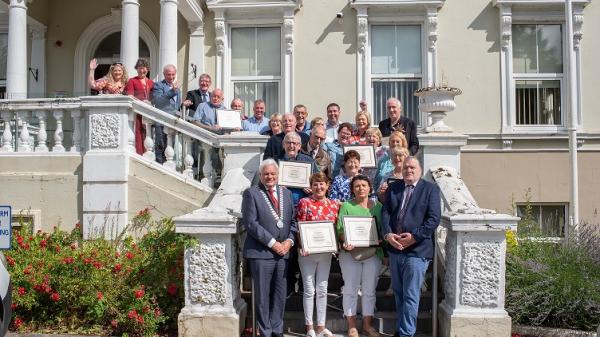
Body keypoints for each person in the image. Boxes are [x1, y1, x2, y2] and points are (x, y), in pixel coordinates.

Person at [381, 157, 441, 337]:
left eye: (413, 167)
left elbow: (433, 219)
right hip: (395, 249)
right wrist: (388, 234)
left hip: (417, 251)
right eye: (406, 167)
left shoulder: (430, 189)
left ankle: (407, 333)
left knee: (411, 294)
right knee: (399, 293)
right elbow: (385, 212)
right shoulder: (395, 187)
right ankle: (401, 330)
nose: (409, 170)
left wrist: (414, 237)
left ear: (420, 170)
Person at [242, 159, 297, 337]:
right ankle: (265, 332)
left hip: (283, 254)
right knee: (263, 297)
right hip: (261, 253)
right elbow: (251, 224)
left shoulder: (286, 194)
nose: (270, 177)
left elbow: (293, 223)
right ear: (260, 175)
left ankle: (277, 330)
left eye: (273, 173)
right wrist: (274, 244)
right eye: (266, 174)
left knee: (280, 295)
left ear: (278, 175)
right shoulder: (251, 193)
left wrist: (289, 242)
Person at [336, 175, 383, 337]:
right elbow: (340, 229)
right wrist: (345, 241)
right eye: (357, 186)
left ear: (370, 188)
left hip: (373, 253)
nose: (360, 188)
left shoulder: (378, 207)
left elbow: (382, 230)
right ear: (352, 189)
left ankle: (368, 325)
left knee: (369, 290)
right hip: (350, 254)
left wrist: (382, 247)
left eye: (364, 185)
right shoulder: (347, 206)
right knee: (350, 289)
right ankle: (352, 326)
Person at [295, 172, 338, 337]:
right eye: (315, 184)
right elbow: (299, 226)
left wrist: (335, 245)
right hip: (307, 253)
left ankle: (321, 325)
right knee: (309, 289)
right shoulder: (304, 202)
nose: (319, 187)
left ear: (327, 186)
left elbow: (335, 229)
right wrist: (301, 245)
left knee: (322, 289)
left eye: (322, 184)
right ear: (311, 187)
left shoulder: (334, 205)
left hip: (325, 253)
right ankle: (309, 326)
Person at [151, 64, 181, 163]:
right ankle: (160, 166)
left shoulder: (177, 88)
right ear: (164, 74)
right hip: (161, 121)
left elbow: (176, 105)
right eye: (168, 74)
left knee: (172, 147)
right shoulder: (158, 85)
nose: (171, 77)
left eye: (173, 74)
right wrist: (172, 91)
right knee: (161, 145)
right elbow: (158, 101)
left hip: (174, 122)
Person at [124, 58, 154, 155]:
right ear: (137, 69)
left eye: (144, 68)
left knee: (149, 133)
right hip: (137, 112)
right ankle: (139, 153)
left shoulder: (151, 82)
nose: (142, 70)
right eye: (140, 68)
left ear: (148, 69)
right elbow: (130, 96)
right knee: (138, 133)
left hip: (148, 112)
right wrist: (141, 102)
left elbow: (155, 97)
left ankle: (148, 152)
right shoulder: (132, 81)